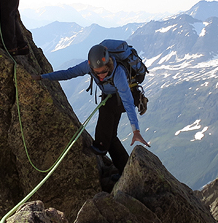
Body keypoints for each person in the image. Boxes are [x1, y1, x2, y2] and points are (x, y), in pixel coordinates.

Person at [32, 43, 150, 173]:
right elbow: (68, 73)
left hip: (128, 95)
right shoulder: (88, 66)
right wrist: (43, 77)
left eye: (104, 71)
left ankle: (101, 145)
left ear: (109, 64)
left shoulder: (119, 73)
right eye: (97, 73)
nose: (101, 76)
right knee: (111, 136)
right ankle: (124, 170)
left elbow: (128, 102)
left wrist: (135, 130)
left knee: (106, 109)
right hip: (112, 96)